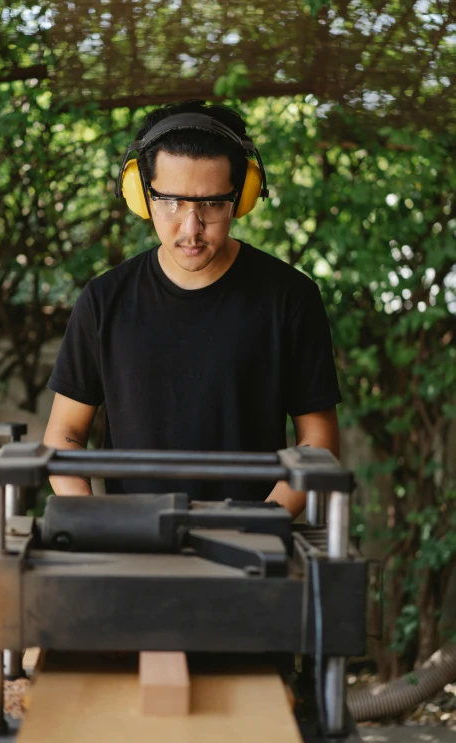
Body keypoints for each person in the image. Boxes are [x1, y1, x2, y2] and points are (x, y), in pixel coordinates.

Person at [44, 100, 341, 517]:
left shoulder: (290, 298)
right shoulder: (103, 300)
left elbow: (318, 441)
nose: (191, 228)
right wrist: (99, 523)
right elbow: (64, 434)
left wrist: (261, 524)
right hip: (133, 546)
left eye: (212, 204)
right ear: (141, 195)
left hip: (253, 550)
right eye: (171, 202)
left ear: (242, 198)